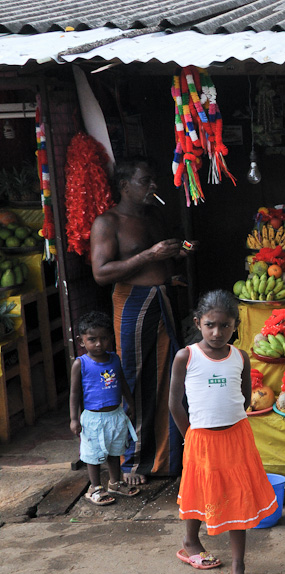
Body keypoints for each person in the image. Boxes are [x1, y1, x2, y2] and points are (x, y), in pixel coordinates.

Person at [90, 159, 193, 484]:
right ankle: (131, 462)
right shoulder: (108, 222)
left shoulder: (153, 216)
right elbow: (101, 273)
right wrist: (150, 255)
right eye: (146, 181)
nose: (154, 187)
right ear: (125, 186)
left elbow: (162, 256)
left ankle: (165, 460)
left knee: (167, 378)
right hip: (133, 304)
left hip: (162, 301)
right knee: (134, 380)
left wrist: (180, 252)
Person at [168, 290, 276, 574]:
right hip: (200, 438)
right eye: (211, 325)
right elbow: (175, 403)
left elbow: (243, 397)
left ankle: (238, 568)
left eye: (225, 326)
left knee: (236, 497)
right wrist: (190, 434)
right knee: (196, 489)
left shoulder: (240, 357)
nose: (217, 332)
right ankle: (190, 544)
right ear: (198, 322)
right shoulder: (185, 356)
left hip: (236, 438)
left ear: (235, 327)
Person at [69, 311, 140, 505]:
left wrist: (130, 403)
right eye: (92, 339)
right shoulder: (80, 364)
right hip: (93, 418)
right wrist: (74, 419)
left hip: (115, 415)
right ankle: (95, 487)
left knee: (115, 450)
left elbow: (122, 382)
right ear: (81, 341)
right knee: (93, 454)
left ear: (111, 338)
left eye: (104, 338)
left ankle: (115, 483)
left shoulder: (114, 359)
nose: (98, 344)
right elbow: (74, 394)